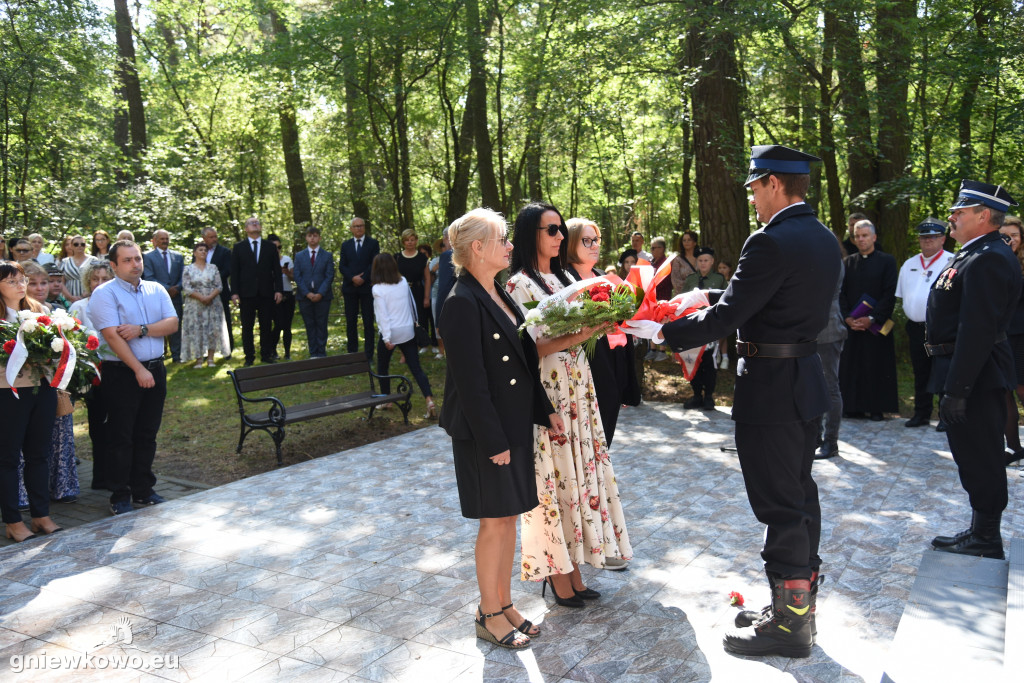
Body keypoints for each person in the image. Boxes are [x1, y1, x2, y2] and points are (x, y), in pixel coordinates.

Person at [622, 145, 842, 658]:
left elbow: (733, 315)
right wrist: (704, 299)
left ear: (772, 183)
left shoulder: (770, 240)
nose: (752, 199)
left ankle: (789, 627)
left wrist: (661, 332)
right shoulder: (822, 237)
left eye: (754, 187)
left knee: (779, 502)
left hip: (771, 385)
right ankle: (797, 607)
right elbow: (769, 300)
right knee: (799, 493)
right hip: (804, 379)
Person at [439, 208, 563, 650]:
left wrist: (544, 409)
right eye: (503, 240)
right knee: (493, 523)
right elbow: (471, 385)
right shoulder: (460, 302)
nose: (511, 246)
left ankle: (504, 602)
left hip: (510, 425)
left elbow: (525, 362)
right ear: (478, 248)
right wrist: (494, 443)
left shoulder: (497, 294)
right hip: (484, 433)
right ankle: (488, 612)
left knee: (509, 518)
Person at [507, 202, 632, 606]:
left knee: (578, 481)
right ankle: (557, 574)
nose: (561, 236)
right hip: (550, 392)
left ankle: (574, 569)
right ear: (531, 235)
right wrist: (588, 329)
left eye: (562, 229)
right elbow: (534, 348)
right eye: (552, 230)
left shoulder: (564, 277)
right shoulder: (518, 286)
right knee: (555, 482)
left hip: (580, 388)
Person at [927, 181, 1021, 560]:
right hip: (963, 368)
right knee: (971, 454)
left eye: (960, 212)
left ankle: (986, 536)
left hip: (977, 374)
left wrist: (959, 389)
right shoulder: (974, 253)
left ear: (984, 216)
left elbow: (977, 329)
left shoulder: (990, 257)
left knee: (981, 454)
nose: (952, 216)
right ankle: (981, 529)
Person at [88, 239, 178, 515]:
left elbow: (172, 323)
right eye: (127, 260)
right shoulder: (105, 293)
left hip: (156, 368)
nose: (135, 264)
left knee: (147, 434)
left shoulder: (156, 288)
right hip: (122, 372)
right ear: (113, 265)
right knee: (121, 435)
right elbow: (113, 336)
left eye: (137, 258)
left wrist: (141, 329)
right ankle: (120, 494)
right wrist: (138, 369)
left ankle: (143, 489)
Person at [564, 217, 641, 447]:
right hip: (586, 366)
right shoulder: (563, 280)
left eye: (596, 240)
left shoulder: (605, 277)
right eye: (586, 241)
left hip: (614, 361)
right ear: (569, 245)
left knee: (605, 438)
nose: (594, 245)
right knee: (586, 442)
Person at [0, 261, 63, 542]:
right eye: (11, 281)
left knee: (39, 454)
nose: (20, 285)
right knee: (9, 458)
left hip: (42, 388)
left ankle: (41, 516)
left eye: (21, 279)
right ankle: (13, 521)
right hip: (8, 391)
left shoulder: (42, 311)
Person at [895, 218, 954, 428]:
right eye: (924, 237)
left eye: (933, 237)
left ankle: (944, 416)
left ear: (943, 239)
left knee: (942, 371)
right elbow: (902, 295)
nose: (928, 241)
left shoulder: (952, 261)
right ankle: (921, 413)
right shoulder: (909, 264)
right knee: (920, 372)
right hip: (916, 327)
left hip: (941, 329)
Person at [838, 220, 899, 421]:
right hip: (853, 326)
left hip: (876, 326)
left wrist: (872, 318)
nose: (861, 239)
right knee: (852, 365)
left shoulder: (887, 261)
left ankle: (876, 408)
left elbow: (890, 293)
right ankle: (853, 406)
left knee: (876, 366)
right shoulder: (848, 263)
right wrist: (847, 318)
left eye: (865, 235)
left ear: (874, 237)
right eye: (857, 236)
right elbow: (842, 293)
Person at [371, 253, 436, 418]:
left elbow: (382, 316)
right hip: (407, 330)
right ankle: (429, 399)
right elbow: (412, 304)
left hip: (392, 332)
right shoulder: (402, 282)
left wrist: (386, 338)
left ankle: (386, 399)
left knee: (382, 367)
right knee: (416, 368)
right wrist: (414, 323)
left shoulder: (378, 289)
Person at [68, 259, 114, 490]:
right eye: (95, 279)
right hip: (93, 374)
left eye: (105, 279)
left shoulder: (118, 303)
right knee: (98, 424)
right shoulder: (79, 307)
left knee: (119, 424)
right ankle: (101, 475)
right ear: (87, 281)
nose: (100, 283)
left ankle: (119, 472)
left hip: (118, 370)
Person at [230, 217, 283, 367]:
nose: (255, 224)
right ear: (246, 229)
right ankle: (249, 356)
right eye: (251, 223)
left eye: (257, 222)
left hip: (266, 293)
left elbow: (277, 271)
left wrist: (278, 290)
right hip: (246, 294)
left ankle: (266, 354)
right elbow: (234, 272)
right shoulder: (239, 247)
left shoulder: (270, 247)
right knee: (247, 326)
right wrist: (234, 292)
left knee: (266, 325)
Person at [682, 246, 726, 410]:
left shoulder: (719, 279)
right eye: (700, 260)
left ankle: (708, 396)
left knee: (709, 362)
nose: (703, 263)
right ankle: (696, 395)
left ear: (712, 261)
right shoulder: (691, 279)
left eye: (706, 260)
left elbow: (726, 300)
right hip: (693, 326)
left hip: (711, 326)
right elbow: (682, 301)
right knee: (693, 360)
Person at [999, 216, 1024, 463]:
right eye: (1004, 235)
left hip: (1023, 338)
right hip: (1001, 338)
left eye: (1014, 235)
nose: (1009, 239)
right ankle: (1014, 448)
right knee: (1005, 393)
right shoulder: (994, 262)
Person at [181, 242, 229, 368]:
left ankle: (211, 358)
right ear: (194, 253)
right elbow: (187, 287)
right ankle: (198, 359)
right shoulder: (188, 269)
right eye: (200, 250)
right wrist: (201, 297)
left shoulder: (213, 268)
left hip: (213, 303)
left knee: (212, 330)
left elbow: (219, 286)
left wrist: (209, 297)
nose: (203, 252)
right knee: (197, 330)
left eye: (205, 250)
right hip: (195, 304)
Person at [143, 230, 185, 363]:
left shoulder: (178, 256)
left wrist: (177, 288)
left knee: (176, 326)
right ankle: (160, 354)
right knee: (158, 326)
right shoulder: (148, 257)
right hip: (157, 297)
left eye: (167, 238)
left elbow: (184, 277)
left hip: (176, 296)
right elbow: (149, 277)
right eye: (162, 239)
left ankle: (177, 355)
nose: (165, 241)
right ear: (155, 240)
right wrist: (167, 289)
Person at [292, 226, 334, 359]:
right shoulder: (299, 256)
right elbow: (297, 276)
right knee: (309, 324)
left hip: (323, 296)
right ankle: (313, 352)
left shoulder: (327, 256)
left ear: (319, 238)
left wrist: (320, 293)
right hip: (305, 297)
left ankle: (321, 352)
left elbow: (329, 276)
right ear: (306, 238)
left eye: (315, 236)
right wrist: (307, 293)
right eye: (310, 236)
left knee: (321, 324)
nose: (312, 238)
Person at [394, 229, 431, 352]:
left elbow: (427, 278)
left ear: (416, 241)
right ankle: (405, 344)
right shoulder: (397, 257)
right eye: (407, 240)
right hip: (401, 291)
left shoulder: (422, 258)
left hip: (417, 290)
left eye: (412, 240)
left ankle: (422, 343)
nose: (409, 242)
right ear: (403, 242)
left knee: (420, 316)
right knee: (403, 317)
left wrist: (426, 297)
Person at [201, 227, 234, 352]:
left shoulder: (224, 252)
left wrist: (211, 279)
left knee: (224, 322)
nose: (214, 239)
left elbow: (227, 270)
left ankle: (228, 349)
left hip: (220, 292)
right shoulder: (199, 251)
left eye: (215, 236)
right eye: (211, 237)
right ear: (204, 238)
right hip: (202, 294)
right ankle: (206, 351)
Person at [267, 234, 295, 361]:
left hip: (288, 294)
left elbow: (294, 278)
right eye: (274, 247)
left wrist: (287, 273)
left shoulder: (287, 259)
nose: (277, 250)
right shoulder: (265, 261)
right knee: (278, 324)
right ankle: (272, 349)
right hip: (273, 295)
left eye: (279, 247)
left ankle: (287, 352)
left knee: (287, 326)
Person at [433, 228, 455, 358]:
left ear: (448, 238)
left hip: (453, 307)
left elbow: (444, 288)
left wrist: (438, 321)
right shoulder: (472, 253)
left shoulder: (448, 255)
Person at [58, 235, 93, 302]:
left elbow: (96, 280)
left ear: (85, 246)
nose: (79, 246)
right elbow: (61, 282)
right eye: (76, 244)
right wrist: (70, 297)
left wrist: (83, 296)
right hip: (68, 298)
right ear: (71, 246)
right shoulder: (65, 261)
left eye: (82, 244)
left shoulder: (93, 260)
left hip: (88, 297)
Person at [670, 230, 700, 295]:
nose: (686, 242)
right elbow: (675, 281)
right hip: (683, 295)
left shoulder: (701, 258)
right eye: (684, 240)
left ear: (694, 242)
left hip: (700, 294)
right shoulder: (678, 260)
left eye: (689, 240)